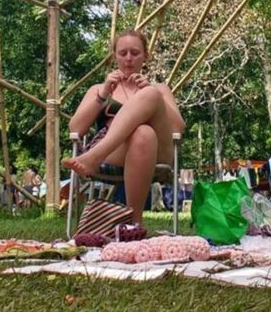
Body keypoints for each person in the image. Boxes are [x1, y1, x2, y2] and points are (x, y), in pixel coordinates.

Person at [64, 28, 185, 225]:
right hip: (116, 153)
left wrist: (150, 91)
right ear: (115, 56)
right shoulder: (98, 89)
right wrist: (103, 94)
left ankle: (95, 156)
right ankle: (134, 226)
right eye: (123, 53)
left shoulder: (159, 89)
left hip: (158, 153)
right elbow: (75, 128)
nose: (129, 58)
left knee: (151, 101)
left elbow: (177, 129)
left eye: (135, 53)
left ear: (145, 56)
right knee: (142, 133)